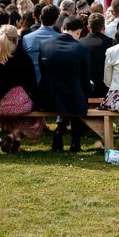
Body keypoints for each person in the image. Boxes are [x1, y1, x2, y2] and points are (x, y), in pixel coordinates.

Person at [0, 25, 44, 152]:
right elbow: (32, 84)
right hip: (20, 105)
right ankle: (15, 134)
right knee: (36, 119)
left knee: (12, 116)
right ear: (16, 40)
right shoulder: (24, 58)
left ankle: (15, 138)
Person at [38, 16, 91, 152]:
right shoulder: (82, 49)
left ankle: (59, 132)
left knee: (71, 92)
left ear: (62, 29)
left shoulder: (44, 45)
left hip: (48, 98)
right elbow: (85, 79)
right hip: (72, 98)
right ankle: (75, 141)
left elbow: (43, 72)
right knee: (76, 94)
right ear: (79, 31)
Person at [22, 4, 60, 83]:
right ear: (56, 20)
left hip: (32, 83)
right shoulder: (60, 39)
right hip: (52, 86)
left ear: (40, 17)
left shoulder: (26, 38)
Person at [79, 12, 113, 99]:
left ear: (88, 27)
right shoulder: (112, 43)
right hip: (106, 90)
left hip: (85, 90)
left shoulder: (80, 43)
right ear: (104, 27)